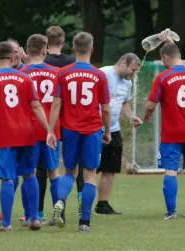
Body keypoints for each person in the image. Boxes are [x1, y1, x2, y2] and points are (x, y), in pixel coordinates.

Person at [0, 41, 51, 232]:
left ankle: (6, 223)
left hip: (6, 135)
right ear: (12, 58)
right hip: (27, 133)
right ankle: (34, 219)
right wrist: (49, 129)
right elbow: (36, 106)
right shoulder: (25, 78)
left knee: (8, 179)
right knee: (29, 174)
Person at [47, 32, 111, 232]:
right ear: (92, 49)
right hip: (92, 130)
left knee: (69, 172)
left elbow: (57, 103)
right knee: (90, 175)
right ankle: (84, 222)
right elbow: (106, 108)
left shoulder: (63, 73)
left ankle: (60, 201)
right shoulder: (99, 74)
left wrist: (50, 130)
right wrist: (107, 130)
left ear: (73, 50)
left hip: (70, 130)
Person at [143, 41, 185, 220]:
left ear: (165, 58)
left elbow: (151, 104)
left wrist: (147, 114)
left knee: (171, 171)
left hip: (172, 133)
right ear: (179, 56)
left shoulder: (163, 77)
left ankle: (172, 212)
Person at [19, 34, 61, 226]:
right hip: (52, 128)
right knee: (54, 172)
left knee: (29, 172)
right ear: (45, 50)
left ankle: (31, 216)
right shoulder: (57, 72)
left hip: (29, 129)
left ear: (27, 51)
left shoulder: (21, 73)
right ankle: (58, 214)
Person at [94, 53, 142, 215]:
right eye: (132, 70)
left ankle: (102, 204)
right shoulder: (103, 74)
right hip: (94, 129)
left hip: (113, 129)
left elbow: (123, 103)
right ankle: (82, 204)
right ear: (123, 62)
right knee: (88, 168)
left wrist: (131, 117)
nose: (133, 75)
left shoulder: (127, 83)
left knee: (111, 168)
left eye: (135, 72)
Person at [43, 26, 83, 215]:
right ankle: (81, 202)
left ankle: (38, 212)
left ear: (46, 42)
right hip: (70, 120)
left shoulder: (40, 62)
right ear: (63, 41)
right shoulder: (72, 63)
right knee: (78, 167)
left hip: (46, 120)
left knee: (43, 169)